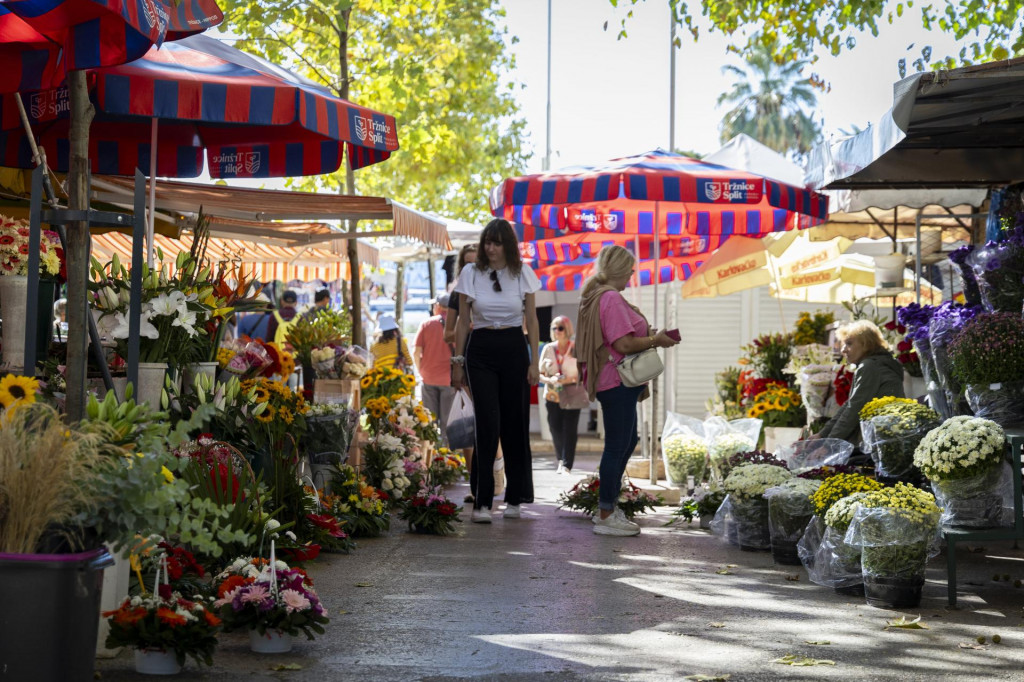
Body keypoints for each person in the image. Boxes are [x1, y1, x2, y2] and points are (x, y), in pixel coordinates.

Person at [576, 246, 679, 537]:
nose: (633, 275)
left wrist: (649, 338)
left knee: (627, 440)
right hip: (617, 380)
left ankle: (608, 507)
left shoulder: (599, 296)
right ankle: (606, 512)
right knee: (617, 444)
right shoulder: (610, 298)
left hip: (614, 382)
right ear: (621, 270)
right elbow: (621, 344)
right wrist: (654, 340)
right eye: (631, 270)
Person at [451, 218, 540, 523]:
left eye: (497, 242)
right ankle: (482, 502)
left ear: (508, 245)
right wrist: (457, 362)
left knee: (514, 424)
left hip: (515, 346)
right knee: (487, 423)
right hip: (481, 348)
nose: (490, 248)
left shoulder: (522, 274)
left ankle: (515, 497)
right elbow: (463, 321)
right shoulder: (470, 273)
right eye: (487, 241)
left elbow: (532, 320)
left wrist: (534, 362)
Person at [811, 320, 905, 450]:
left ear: (866, 344)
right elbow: (850, 405)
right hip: (885, 437)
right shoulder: (877, 363)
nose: (843, 350)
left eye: (849, 344)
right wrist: (823, 434)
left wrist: (828, 446)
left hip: (877, 441)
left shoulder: (870, 366)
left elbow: (853, 410)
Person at [539, 315, 585, 474]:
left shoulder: (576, 348)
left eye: (560, 328)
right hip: (553, 394)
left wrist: (572, 378)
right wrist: (550, 379)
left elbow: (584, 371)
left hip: (573, 392)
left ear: (567, 329)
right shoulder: (548, 349)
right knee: (555, 427)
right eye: (554, 328)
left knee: (570, 429)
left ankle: (567, 464)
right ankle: (560, 459)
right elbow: (540, 374)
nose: (557, 331)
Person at [414, 294, 455, 445]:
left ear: (438, 307)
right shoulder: (457, 326)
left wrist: (420, 371)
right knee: (447, 422)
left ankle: (431, 453)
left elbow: (416, 352)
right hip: (448, 380)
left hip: (428, 378)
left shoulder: (426, 324)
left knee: (430, 421)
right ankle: (446, 456)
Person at [443, 244, 478, 345]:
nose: (472, 268)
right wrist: (466, 329)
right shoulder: (457, 294)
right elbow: (447, 335)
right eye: (467, 264)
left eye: (476, 263)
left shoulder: (494, 290)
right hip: (467, 354)